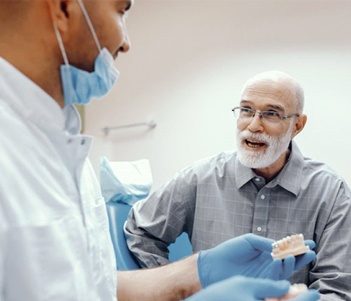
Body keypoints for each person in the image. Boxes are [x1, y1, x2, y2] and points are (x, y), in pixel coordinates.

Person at [0, 0, 320, 300]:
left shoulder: (65, 147)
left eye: (272, 114)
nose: (126, 42)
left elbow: (93, 286)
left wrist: (195, 272)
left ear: (297, 125)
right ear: (64, 7)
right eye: (121, 10)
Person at [125, 70, 351, 300]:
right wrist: (179, 290)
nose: (253, 126)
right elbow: (140, 231)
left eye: (271, 114)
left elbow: (336, 288)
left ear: (297, 126)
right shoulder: (200, 177)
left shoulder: (332, 193)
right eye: (246, 110)